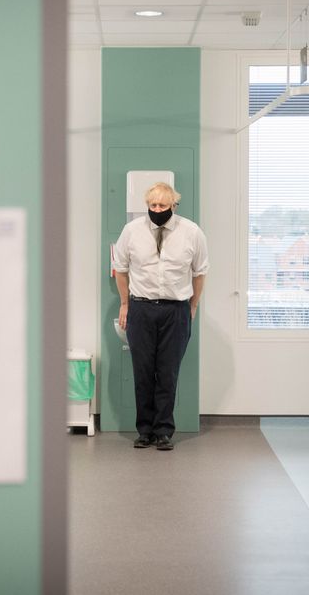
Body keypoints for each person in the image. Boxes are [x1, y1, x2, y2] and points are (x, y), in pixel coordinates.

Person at [112, 182, 208, 451]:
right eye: (152, 205)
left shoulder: (192, 232)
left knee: (168, 373)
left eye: (162, 205)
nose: (157, 210)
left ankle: (164, 431)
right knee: (142, 372)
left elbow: (200, 272)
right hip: (141, 309)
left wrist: (193, 305)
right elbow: (120, 269)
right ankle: (144, 431)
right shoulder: (131, 231)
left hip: (175, 310)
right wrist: (124, 304)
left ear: (173, 206)